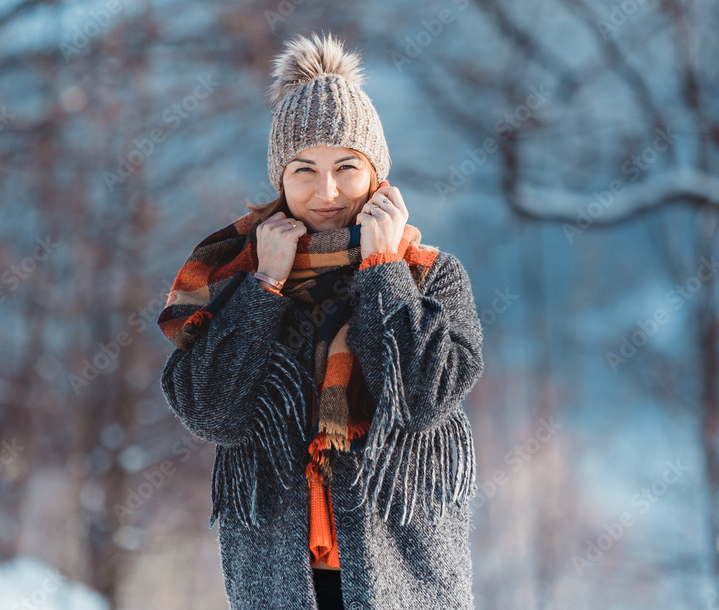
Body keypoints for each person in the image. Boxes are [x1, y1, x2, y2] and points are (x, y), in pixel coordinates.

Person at [157, 31, 484, 610]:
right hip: (280, 586)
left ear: (377, 173)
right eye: (303, 169)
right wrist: (264, 288)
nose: (326, 191)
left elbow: (419, 400)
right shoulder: (237, 277)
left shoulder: (432, 277)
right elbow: (211, 413)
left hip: (402, 584)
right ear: (280, 180)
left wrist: (383, 270)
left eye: (346, 167)